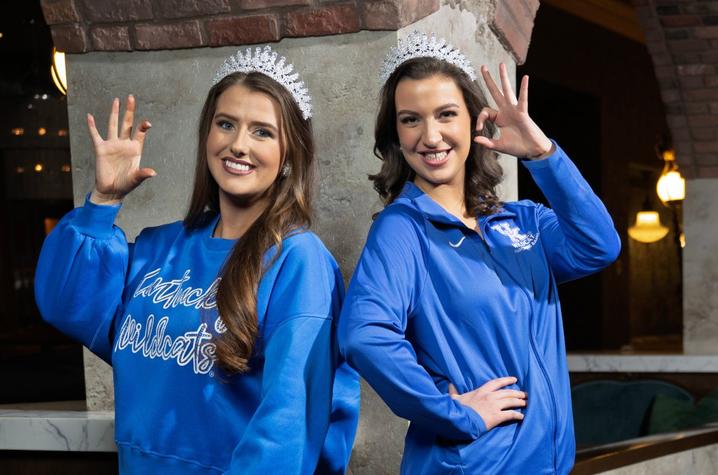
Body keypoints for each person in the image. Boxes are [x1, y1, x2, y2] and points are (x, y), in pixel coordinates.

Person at [35, 45, 359, 475]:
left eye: (262, 132)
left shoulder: (298, 261)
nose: (238, 145)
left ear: (289, 156)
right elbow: (65, 304)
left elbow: (289, 420)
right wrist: (103, 202)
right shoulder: (159, 248)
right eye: (226, 124)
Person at [338, 32, 621, 474]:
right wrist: (457, 413)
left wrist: (542, 154)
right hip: (473, 466)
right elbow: (364, 334)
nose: (430, 136)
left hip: (548, 463)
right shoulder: (403, 229)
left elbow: (598, 245)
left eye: (446, 114)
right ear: (396, 133)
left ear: (474, 121)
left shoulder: (523, 221)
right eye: (411, 120)